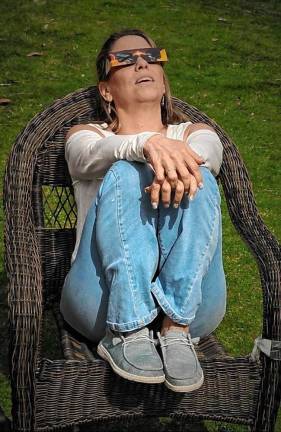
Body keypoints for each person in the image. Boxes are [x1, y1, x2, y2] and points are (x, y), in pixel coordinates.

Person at [60, 28, 226, 393]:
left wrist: (172, 158)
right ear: (106, 89)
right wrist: (147, 145)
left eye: (152, 56)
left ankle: (176, 328)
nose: (141, 62)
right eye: (125, 59)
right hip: (100, 301)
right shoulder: (87, 136)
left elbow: (209, 155)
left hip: (194, 306)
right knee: (124, 171)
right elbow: (86, 157)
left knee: (198, 173)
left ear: (164, 82)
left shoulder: (195, 134)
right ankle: (128, 329)